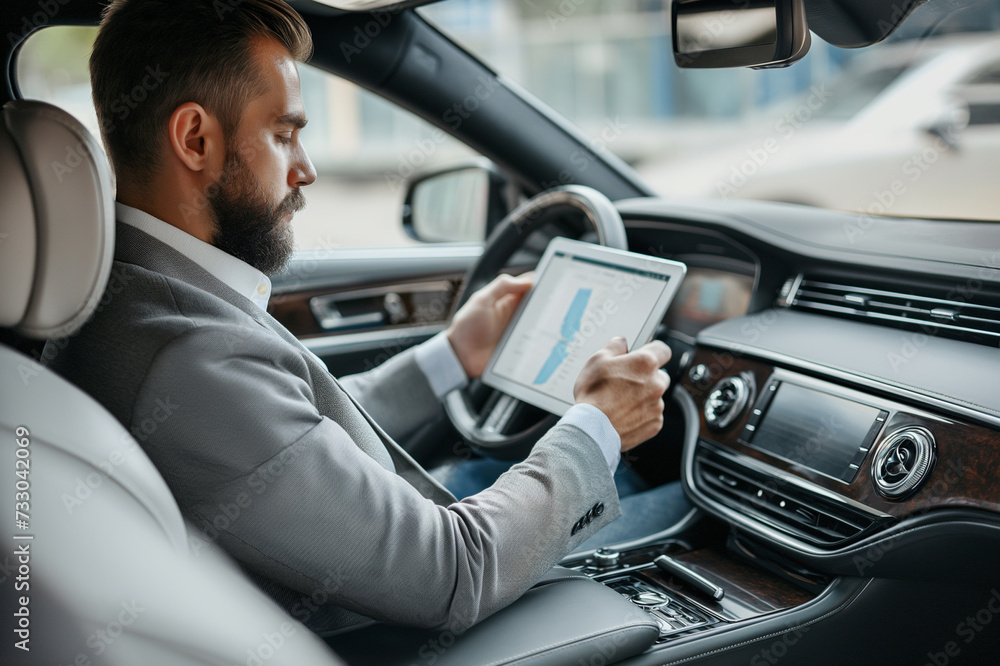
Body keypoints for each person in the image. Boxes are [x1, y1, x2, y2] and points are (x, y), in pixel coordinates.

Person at [47, 0, 686, 635]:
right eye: (283, 134)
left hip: (376, 570)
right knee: (689, 514)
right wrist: (597, 426)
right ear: (195, 140)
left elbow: (290, 433)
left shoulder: (123, 292)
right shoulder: (188, 357)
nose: (307, 169)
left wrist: (452, 356)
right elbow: (454, 571)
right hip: (403, 618)